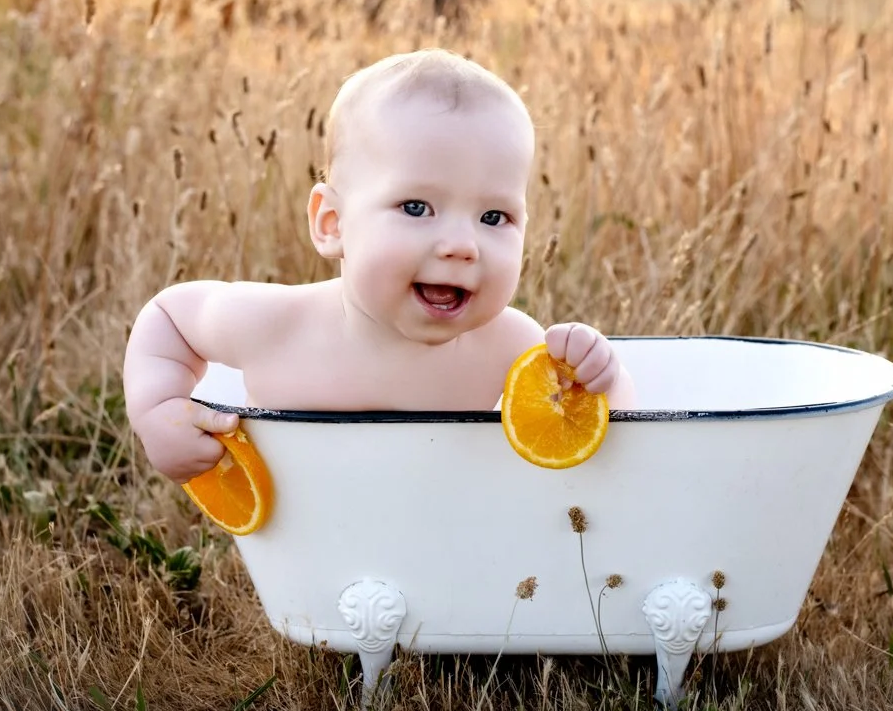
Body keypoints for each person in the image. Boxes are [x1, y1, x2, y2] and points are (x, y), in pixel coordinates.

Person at [123, 48, 637, 484]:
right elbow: (169, 319)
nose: (462, 245)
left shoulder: (509, 345)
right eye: (416, 208)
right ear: (332, 223)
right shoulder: (275, 326)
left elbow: (607, 430)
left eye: (493, 216)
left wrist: (600, 379)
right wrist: (158, 411)